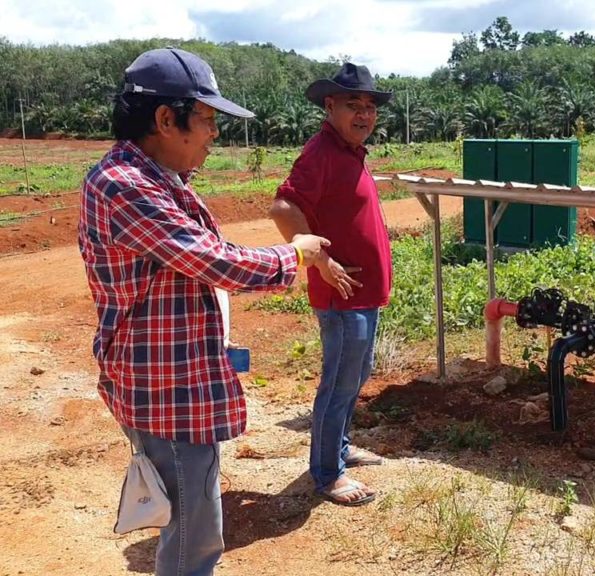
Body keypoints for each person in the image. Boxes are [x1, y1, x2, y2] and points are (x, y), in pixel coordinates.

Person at [78, 47, 330, 575]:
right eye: (208, 121)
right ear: (166, 119)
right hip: (164, 384)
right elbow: (215, 261)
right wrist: (295, 253)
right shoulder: (125, 186)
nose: (214, 135)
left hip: (181, 378)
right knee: (195, 529)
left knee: (194, 511)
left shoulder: (158, 181)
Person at [269, 62, 394, 506]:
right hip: (342, 297)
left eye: (369, 107)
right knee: (338, 383)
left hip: (362, 296)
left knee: (353, 378)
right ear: (330, 106)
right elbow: (284, 208)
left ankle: (337, 450)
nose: (363, 114)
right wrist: (320, 261)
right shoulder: (322, 152)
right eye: (352, 105)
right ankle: (327, 473)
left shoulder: (349, 152)